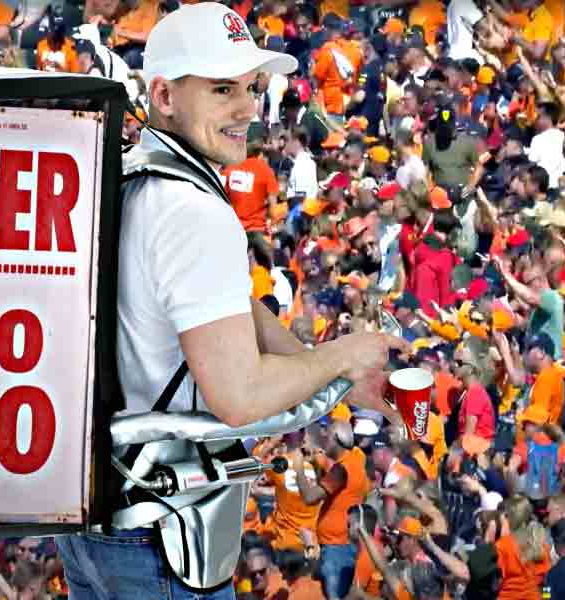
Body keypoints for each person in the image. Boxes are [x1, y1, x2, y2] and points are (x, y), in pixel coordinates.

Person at [56, 4, 405, 598]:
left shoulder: (132, 177)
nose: (247, 108)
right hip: (161, 537)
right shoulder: (194, 211)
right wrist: (347, 353)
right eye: (222, 89)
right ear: (164, 96)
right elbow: (238, 397)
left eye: (251, 87)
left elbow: (227, 307)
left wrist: (327, 372)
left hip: (97, 529)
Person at [291, 420, 371, 599]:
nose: (323, 440)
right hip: (341, 545)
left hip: (336, 548)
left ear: (336, 438)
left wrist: (298, 470)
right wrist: (316, 462)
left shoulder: (342, 470)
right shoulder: (356, 460)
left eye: (326, 436)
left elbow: (310, 498)